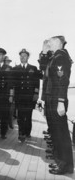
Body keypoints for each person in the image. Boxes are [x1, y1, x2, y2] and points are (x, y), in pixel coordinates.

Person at [45, 36, 74, 175]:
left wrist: (61, 102)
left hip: (57, 100)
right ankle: (61, 162)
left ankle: (65, 165)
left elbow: (63, 80)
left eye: (50, 41)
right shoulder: (56, 56)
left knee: (61, 134)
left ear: (58, 41)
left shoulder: (60, 57)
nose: (48, 44)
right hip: (53, 99)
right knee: (57, 133)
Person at [13, 49, 40, 142]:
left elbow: (37, 82)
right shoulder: (15, 69)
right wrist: (12, 95)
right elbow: (13, 84)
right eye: (21, 56)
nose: (22, 57)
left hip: (29, 97)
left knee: (28, 116)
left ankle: (27, 132)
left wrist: (36, 94)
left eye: (24, 56)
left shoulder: (33, 68)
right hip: (19, 97)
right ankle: (21, 134)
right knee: (20, 117)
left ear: (28, 57)